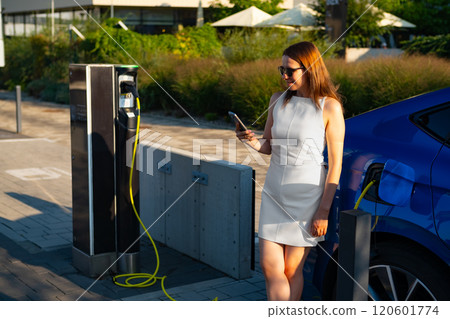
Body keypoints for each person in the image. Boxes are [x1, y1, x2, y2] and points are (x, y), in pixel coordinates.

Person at [235, 41, 345, 301]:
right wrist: (248, 140)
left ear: (310, 69)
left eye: (290, 70)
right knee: (269, 266)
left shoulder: (330, 107)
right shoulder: (278, 100)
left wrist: (323, 212)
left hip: (307, 197)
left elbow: (336, 164)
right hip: (274, 191)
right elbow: (268, 146)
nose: (284, 76)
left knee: (291, 269)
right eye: (281, 70)